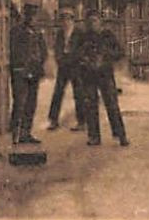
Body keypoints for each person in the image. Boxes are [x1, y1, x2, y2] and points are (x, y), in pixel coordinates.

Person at [73, 9, 128, 147]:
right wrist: (84, 59)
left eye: (95, 21)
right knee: (90, 105)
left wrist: (105, 56)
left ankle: (120, 135)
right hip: (88, 76)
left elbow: (120, 52)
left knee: (112, 104)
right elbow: (75, 54)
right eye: (89, 21)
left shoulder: (107, 35)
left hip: (105, 74)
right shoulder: (82, 37)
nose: (92, 24)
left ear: (100, 22)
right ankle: (94, 137)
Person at [7, 4, 48, 144]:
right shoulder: (16, 31)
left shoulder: (38, 32)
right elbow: (12, 52)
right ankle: (15, 134)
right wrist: (20, 66)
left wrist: (38, 64)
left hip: (34, 71)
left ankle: (26, 133)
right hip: (20, 72)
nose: (32, 18)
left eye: (34, 15)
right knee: (19, 103)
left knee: (31, 103)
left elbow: (44, 51)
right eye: (29, 15)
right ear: (24, 15)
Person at [46, 8, 79, 131]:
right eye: (63, 20)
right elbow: (57, 48)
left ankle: (82, 121)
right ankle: (53, 120)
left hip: (75, 65)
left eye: (68, 19)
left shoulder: (78, 33)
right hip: (64, 64)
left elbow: (81, 49)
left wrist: (76, 60)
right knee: (58, 92)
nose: (65, 22)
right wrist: (59, 58)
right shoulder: (60, 33)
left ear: (72, 20)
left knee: (78, 93)